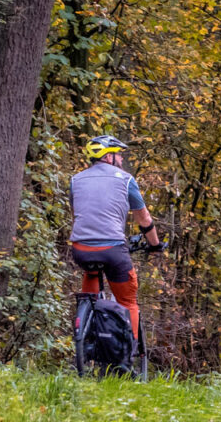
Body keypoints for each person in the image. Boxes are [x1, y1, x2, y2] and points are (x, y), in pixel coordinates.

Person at [69, 135, 163, 335]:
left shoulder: (75, 180)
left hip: (80, 249)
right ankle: (129, 355)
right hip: (111, 249)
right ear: (108, 157)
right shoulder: (126, 179)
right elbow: (144, 218)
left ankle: (87, 332)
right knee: (128, 301)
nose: (121, 159)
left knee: (90, 279)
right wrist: (155, 244)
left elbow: (77, 214)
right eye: (118, 155)